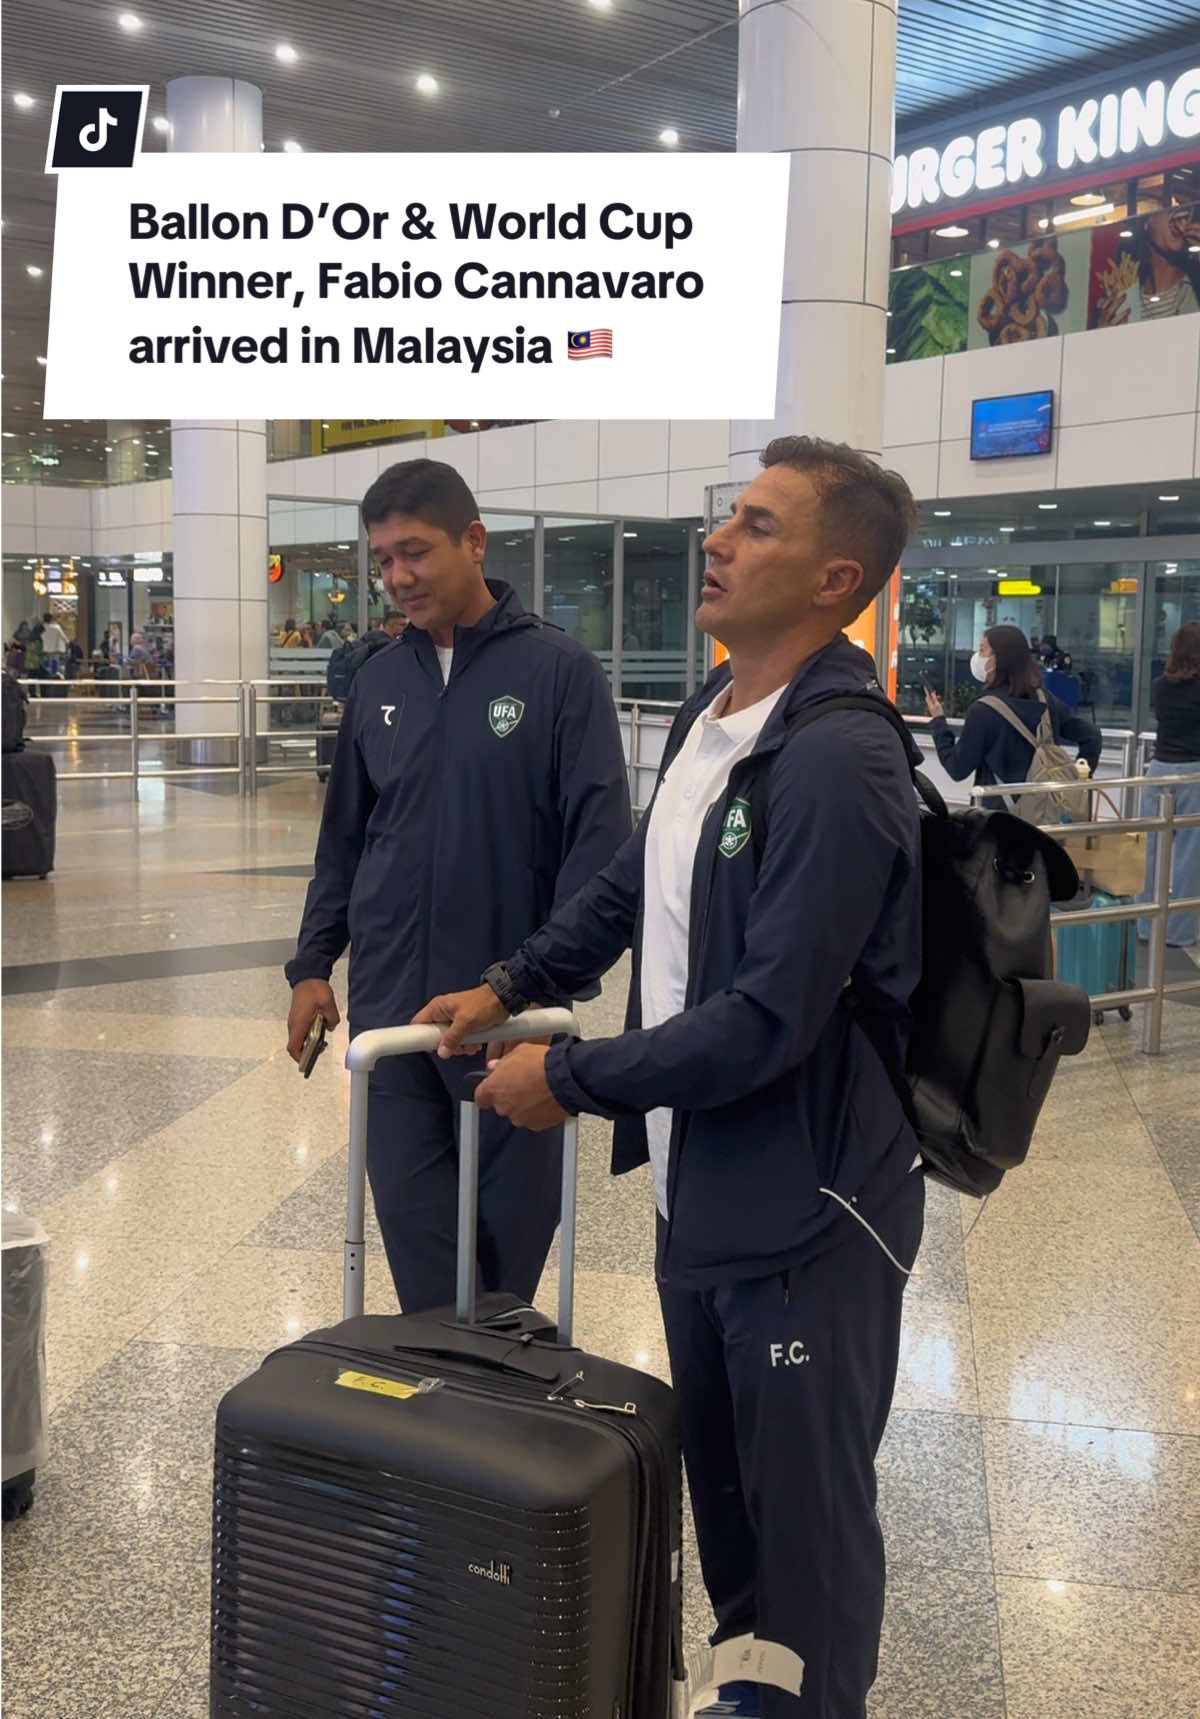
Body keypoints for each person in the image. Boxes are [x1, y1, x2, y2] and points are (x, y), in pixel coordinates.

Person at [416, 436, 928, 1719]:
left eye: (758, 526)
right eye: (728, 518)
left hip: (812, 1213)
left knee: (807, 1530)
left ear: (836, 580)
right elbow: (626, 887)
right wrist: (509, 983)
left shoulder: (840, 759)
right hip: (701, 1196)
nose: (718, 541)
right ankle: (751, 1690)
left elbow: (767, 1022)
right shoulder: (717, 715)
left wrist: (571, 1076)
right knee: (731, 1503)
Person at [285, 457, 631, 1314]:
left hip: (510, 1019)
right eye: (383, 559)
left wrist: (535, 989)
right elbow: (345, 841)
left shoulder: (558, 673)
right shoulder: (378, 681)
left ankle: (491, 1386)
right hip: (395, 1014)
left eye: (415, 551)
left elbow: (598, 856)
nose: (398, 577)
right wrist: (313, 963)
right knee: (423, 1260)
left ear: (474, 541)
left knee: (504, 1270)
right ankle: (447, 1389)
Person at [924, 624, 1101, 808]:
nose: (977, 657)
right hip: (1045, 814)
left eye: (982, 650)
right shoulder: (1045, 699)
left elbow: (957, 768)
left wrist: (938, 722)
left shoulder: (983, 710)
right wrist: (1077, 779)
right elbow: (1092, 736)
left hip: (999, 817)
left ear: (999, 659)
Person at [1139, 622, 1200, 948]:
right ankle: (1179, 933)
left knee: (1150, 851)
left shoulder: (1159, 686)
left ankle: (1145, 925)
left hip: (1159, 769)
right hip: (1194, 774)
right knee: (1190, 856)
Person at [39, 613, 69, 678]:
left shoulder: (40, 627)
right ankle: (54, 676)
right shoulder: (56, 627)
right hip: (55, 649)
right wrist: (67, 643)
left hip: (45, 649)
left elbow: (37, 637)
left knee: (46, 663)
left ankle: (47, 675)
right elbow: (64, 638)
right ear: (51, 619)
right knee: (55, 664)